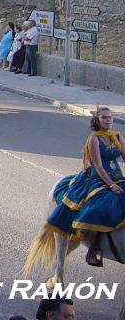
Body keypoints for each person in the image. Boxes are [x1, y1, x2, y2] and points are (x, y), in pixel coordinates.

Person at [46, 107, 124, 266]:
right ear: (97, 120)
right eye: (104, 118)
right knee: (101, 208)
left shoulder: (116, 136)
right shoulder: (94, 139)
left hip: (118, 177)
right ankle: (94, 246)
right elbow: (98, 165)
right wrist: (111, 185)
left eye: (110, 118)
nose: (108, 120)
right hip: (99, 179)